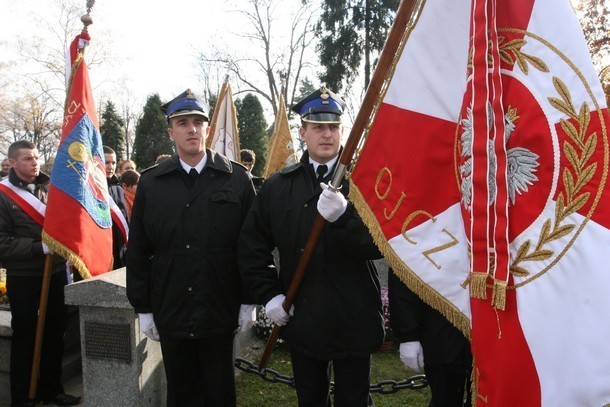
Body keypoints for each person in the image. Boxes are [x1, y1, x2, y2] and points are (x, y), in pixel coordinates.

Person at [238, 87, 384, 407]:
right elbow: (251, 246)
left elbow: (381, 246)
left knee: (354, 402)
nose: (327, 134)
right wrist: (269, 294)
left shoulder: (367, 180)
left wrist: (346, 217)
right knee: (310, 400)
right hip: (303, 316)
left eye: (333, 126)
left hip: (353, 316)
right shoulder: (279, 186)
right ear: (303, 132)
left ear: (342, 130)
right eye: (318, 127)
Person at [126, 89, 256, 407]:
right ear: (171, 131)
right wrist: (143, 308)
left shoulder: (236, 179)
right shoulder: (153, 183)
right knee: (181, 394)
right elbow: (139, 248)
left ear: (207, 128)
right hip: (172, 307)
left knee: (219, 392)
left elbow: (252, 245)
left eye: (198, 122)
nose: (192, 129)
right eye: (183, 123)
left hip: (219, 307)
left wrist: (249, 302)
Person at [0, 140, 81, 407]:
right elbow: (2, 242)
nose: (34, 162)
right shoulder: (3, 194)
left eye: (36, 158)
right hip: (24, 277)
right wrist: (38, 248)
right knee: (26, 335)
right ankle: (23, 397)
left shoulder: (50, 187)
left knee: (55, 332)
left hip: (54, 272)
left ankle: (52, 389)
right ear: (12, 162)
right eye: (27, 159)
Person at [388, 270, 472, 407]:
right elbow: (403, 266)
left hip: (490, 333)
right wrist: (408, 335)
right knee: (444, 399)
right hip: (439, 332)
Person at [103, 146, 128, 269]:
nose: (110, 166)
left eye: (113, 163)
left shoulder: (117, 188)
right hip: (101, 249)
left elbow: (125, 218)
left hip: (119, 250)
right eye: (106, 162)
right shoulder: (88, 189)